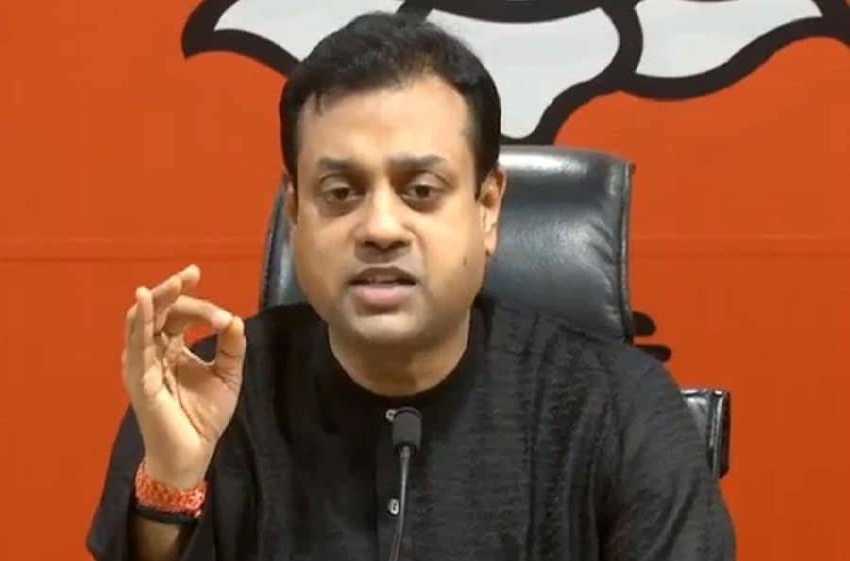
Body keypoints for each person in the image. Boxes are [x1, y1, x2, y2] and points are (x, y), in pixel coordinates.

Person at [87, 11, 735, 561]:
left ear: (488, 207)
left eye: (421, 191)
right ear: (295, 212)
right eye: (341, 192)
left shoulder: (618, 410)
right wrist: (173, 481)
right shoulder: (207, 400)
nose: (380, 228)